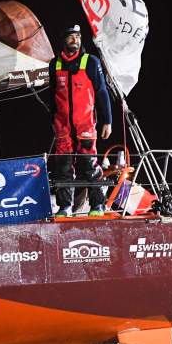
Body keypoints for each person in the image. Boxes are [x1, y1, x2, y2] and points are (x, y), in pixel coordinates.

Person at [49, 24, 112, 217]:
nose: (75, 40)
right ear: (64, 40)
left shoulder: (90, 62)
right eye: (71, 37)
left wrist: (107, 120)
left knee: (89, 165)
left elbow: (102, 92)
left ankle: (97, 205)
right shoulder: (55, 64)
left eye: (78, 36)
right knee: (63, 167)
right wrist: (53, 118)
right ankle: (65, 207)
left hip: (85, 123)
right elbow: (52, 94)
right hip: (63, 125)